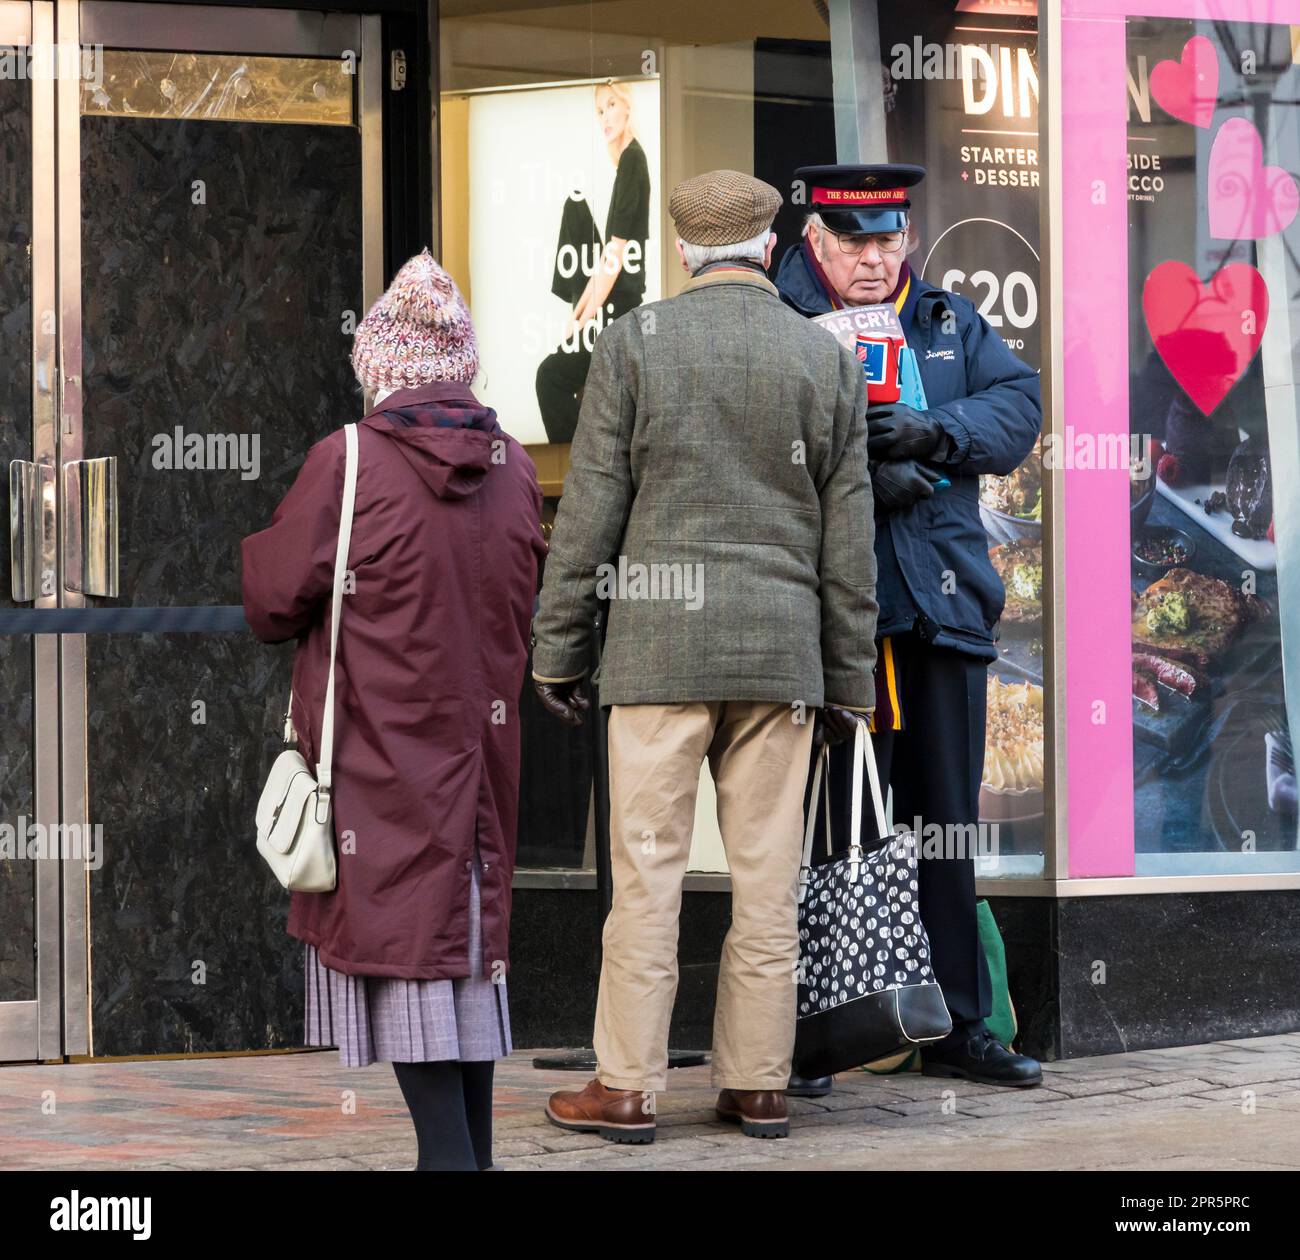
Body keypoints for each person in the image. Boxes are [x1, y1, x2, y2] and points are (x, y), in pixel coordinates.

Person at [531, 169, 877, 1142]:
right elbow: (845, 546)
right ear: (769, 248)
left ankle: (629, 1088)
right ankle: (759, 1083)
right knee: (767, 879)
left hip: (656, 657)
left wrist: (558, 650)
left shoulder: (635, 343)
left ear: (682, 252)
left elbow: (591, 510)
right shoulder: (822, 360)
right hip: (781, 660)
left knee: (647, 873)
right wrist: (849, 680)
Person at [241, 249, 547, 1170]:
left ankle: (450, 1164)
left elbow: (271, 599)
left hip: (379, 766)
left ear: (379, 368)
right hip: (481, 767)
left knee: (413, 959)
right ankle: (471, 1162)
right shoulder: (515, 467)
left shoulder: (351, 459)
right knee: (464, 968)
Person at [775, 163, 1044, 1088]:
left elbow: (1019, 408)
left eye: (889, 240)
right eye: (855, 241)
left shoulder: (943, 320)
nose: (873, 258)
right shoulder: (780, 321)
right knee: (828, 831)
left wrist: (934, 435)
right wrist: (853, 467)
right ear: (816, 240)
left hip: (942, 614)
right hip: (835, 623)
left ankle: (958, 1028)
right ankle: (812, 1035)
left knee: (946, 827)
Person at [536, 79, 651, 443]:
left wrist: (579, 322)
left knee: (550, 376)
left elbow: (614, 259)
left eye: (611, 106)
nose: (604, 117)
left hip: (618, 310)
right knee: (575, 206)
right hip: (612, 306)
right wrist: (577, 318)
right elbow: (606, 259)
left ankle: (575, 456)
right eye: (600, 111)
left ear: (627, 107)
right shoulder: (627, 162)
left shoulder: (633, 160)